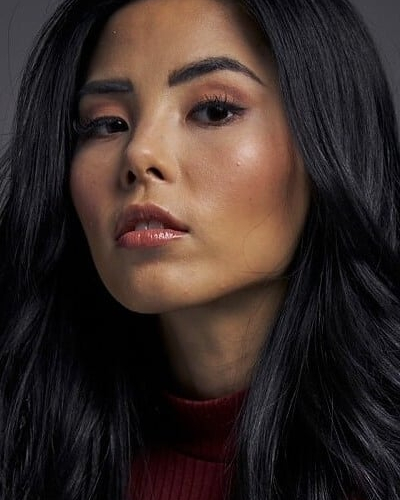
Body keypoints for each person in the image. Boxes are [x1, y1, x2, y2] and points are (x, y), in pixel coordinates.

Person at [0, 0, 399, 498]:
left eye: (214, 110)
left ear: (330, 140)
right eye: (107, 123)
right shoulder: (23, 449)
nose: (140, 153)